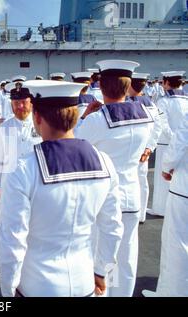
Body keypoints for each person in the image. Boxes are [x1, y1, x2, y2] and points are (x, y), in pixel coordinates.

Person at [0, 80, 123, 297]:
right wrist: (102, 271)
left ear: (36, 116)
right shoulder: (104, 162)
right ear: (75, 116)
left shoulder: (22, 170)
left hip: (37, 285)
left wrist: (8, 290)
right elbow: (112, 228)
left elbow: (12, 242)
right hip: (84, 280)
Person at [75, 60, 155, 297]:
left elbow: (75, 145)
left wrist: (84, 117)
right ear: (128, 86)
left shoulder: (96, 121)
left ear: (100, 87)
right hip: (131, 196)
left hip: (102, 198)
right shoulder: (146, 117)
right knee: (125, 257)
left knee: (100, 255)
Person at [0, 80, 42, 281]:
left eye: (24, 102)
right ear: (11, 104)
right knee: (4, 225)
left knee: (34, 225)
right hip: (8, 184)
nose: (20, 107)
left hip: (35, 183)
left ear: (31, 102)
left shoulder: (40, 123)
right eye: (15, 103)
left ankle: (29, 263)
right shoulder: (5, 127)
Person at [143, 113, 188, 297]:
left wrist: (166, 167)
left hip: (184, 189)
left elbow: (180, 142)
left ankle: (171, 292)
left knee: (176, 243)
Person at [148, 71, 187, 217]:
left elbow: (163, 125)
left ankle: (160, 209)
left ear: (166, 83)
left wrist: (173, 140)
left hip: (166, 144)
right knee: (181, 178)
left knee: (162, 177)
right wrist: (179, 141)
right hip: (184, 145)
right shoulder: (186, 100)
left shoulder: (163, 102)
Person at [127, 73, 162, 223]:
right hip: (143, 150)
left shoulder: (125, 103)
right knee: (142, 180)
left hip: (130, 149)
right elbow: (158, 126)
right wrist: (149, 147)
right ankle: (141, 215)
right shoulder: (151, 104)